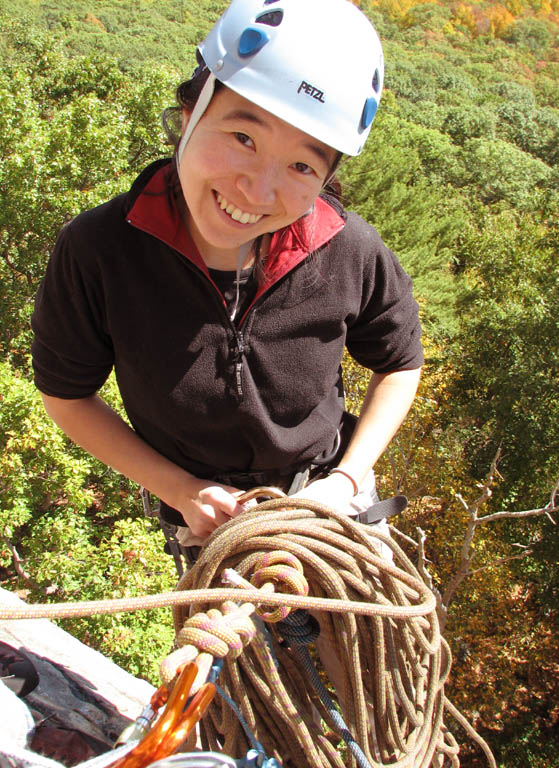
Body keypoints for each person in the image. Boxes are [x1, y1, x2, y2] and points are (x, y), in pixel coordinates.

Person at [31, 0, 423, 557]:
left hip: (331, 501)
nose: (256, 192)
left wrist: (348, 480)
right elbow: (67, 397)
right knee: (228, 644)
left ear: (326, 177)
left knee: (375, 642)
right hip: (203, 521)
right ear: (190, 114)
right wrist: (183, 491)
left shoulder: (346, 249)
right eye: (243, 137)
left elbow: (400, 364)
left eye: (302, 166)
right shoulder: (101, 250)